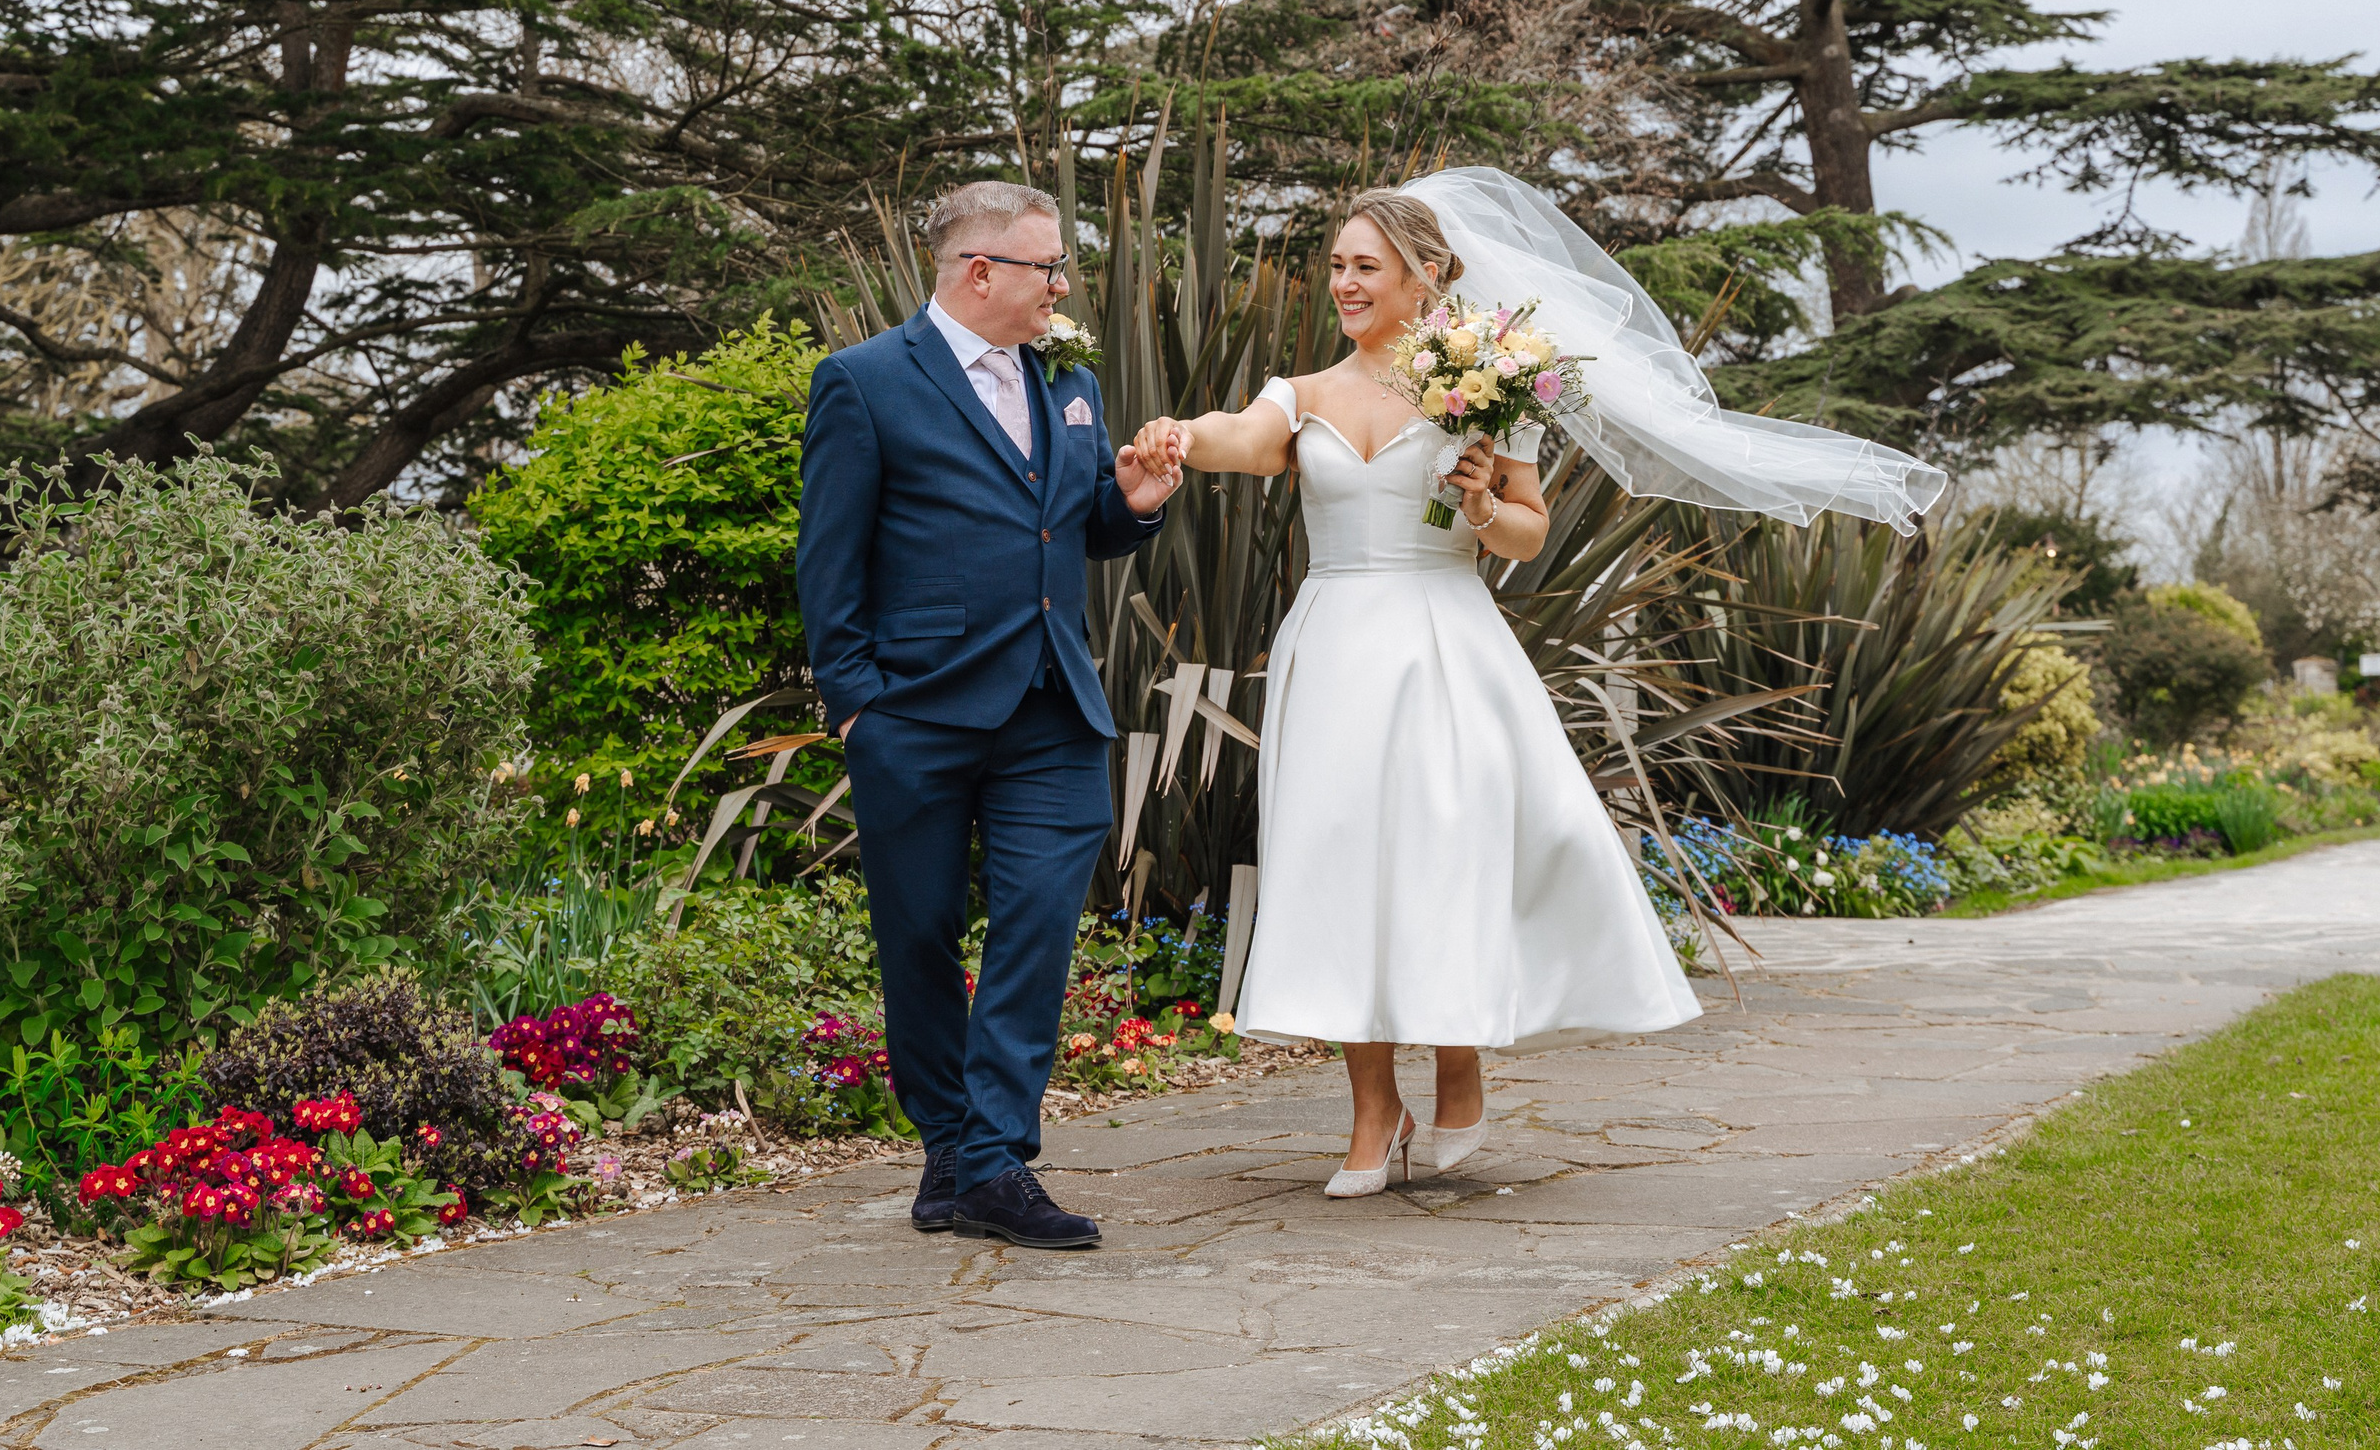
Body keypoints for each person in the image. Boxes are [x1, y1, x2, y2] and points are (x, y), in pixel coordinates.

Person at [1128, 172, 1945, 1195]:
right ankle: (1373, 1110)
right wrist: (1179, 434)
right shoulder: (1302, 395)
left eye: (1365, 266)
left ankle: (1459, 1058)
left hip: (1445, 642)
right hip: (1332, 649)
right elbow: (1243, 439)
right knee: (1333, 860)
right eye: (1336, 265)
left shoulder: (1487, 385)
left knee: (1444, 852)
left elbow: (1525, 531)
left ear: (1427, 276)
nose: (1344, 282)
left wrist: (1479, 505)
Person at [798, 180, 1179, 1248]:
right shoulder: (865, 381)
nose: (1061, 286)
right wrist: (857, 709)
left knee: (1038, 923)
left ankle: (995, 1157)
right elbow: (827, 564)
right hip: (914, 713)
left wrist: (1132, 504)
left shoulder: (1070, 380)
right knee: (917, 935)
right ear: (980, 272)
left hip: (1051, 704)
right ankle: (950, 1154)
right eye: (1047, 267)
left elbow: (1071, 528)